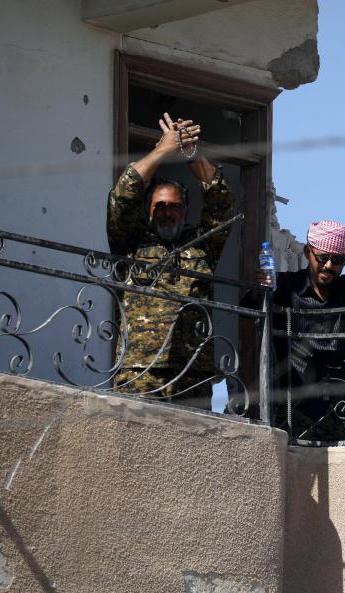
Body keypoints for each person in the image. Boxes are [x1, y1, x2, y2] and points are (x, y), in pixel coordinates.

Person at [107, 112, 234, 410]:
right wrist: (163, 150)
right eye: (159, 206)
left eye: (174, 207)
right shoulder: (130, 243)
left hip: (194, 375)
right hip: (138, 372)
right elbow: (123, 196)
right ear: (149, 211)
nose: (167, 212)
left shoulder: (203, 246)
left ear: (185, 211)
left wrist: (193, 154)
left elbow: (221, 202)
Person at [255, 220, 345, 441]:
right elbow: (250, 307)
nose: (329, 266)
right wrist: (260, 290)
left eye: (338, 260)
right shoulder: (285, 285)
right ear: (307, 252)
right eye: (322, 257)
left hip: (338, 411)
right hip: (291, 411)